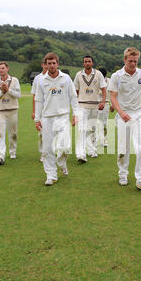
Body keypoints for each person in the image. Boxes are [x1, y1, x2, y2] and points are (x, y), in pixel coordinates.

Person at [108, 47, 141, 193]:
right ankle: (123, 173)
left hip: (139, 114)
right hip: (123, 115)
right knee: (123, 149)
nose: (133, 64)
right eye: (130, 61)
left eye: (135, 61)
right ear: (124, 60)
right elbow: (113, 96)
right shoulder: (117, 76)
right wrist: (121, 112)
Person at [34, 52, 79, 186]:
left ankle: (62, 163)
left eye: (54, 63)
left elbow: (73, 97)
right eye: (49, 64)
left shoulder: (65, 78)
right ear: (46, 65)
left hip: (63, 116)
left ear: (58, 64)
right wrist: (37, 119)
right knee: (47, 149)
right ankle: (51, 175)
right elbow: (38, 100)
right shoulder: (41, 80)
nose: (52, 66)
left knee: (65, 147)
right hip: (47, 118)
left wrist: (76, 114)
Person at [73, 56, 107, 162]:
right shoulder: (79, 75)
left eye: (89, 61)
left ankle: (92, 150)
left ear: (92, 63)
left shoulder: (98, 74)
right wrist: (78, 102)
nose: (87, 63)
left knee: (92, 128)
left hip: (95, 105)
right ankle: (81, 154)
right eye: (85, 62)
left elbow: (104, 89)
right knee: (81, 129)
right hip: (82, 105)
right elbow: (76, 91)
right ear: (83, 63)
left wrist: (102, 102)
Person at [0, 62, 21, 165]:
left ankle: (12, 151)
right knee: (0, 134)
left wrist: (8, 90)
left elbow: (18, 95)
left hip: (13, 109)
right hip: (0, 111)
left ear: (7, 68)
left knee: (13, 133)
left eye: (3, 68)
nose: (1, 70)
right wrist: (2, 92)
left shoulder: (15, 80)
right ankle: (0, 156)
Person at [31, 58, 48, 162]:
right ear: (42, 65)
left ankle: (52, 151)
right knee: (42, 132)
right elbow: (34, 96)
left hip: (52, 108)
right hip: (41, 109)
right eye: (45, 64)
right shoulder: (38, 78)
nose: (47, 66)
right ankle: (43, 153)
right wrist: (34, 111)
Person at [97, 67, 114, 147]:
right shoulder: (95, 80)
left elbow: (112, 93)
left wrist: (112, 104)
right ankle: (96, 140)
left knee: (104, 123)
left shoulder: (109, 81)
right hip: (95, 104)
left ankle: (104, 140)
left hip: (105, 104)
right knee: (95, 123)